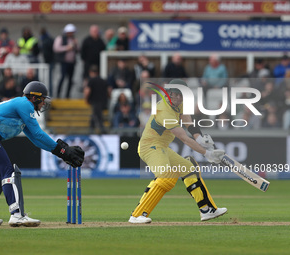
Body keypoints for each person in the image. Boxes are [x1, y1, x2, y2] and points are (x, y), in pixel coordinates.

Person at [0, 81, 84, 227]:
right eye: (43, 100)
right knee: (8, 171)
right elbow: (39, 134)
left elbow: (35, 139)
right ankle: (17, 215)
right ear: (34, 97)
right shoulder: (24, 104)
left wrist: (59, 153)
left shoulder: (22, 111)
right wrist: (62, 150)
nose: (43, 104)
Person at [128, 79, 227, 224]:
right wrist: (207, 154)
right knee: (167, 176)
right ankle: (137, 215)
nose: (179, 98)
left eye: (182, 95)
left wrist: (200, 139)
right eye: (176, 95)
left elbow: (188, 123)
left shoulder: (181, 104)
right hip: (149, 146)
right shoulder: (163, 110)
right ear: (169, 94)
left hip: (162, 147)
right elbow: (184, 138)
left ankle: (206, 210)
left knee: (189, 169)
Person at [53, 24, 78, 98]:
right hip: (63, 62)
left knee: (71, 79)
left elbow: (78, 50)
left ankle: (68, 95)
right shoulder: (60, 38)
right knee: (62, 77)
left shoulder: (73, 39)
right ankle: (58, 94)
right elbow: (56, 48)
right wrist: (67, 48)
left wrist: (76, 44)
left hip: (72, 62)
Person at [84, 65, 111, 134]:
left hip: (95, 101)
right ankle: (91, 128)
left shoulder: (91, 81)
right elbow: (109, 90)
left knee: (97, 116)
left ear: (91, 72)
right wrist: (108, 97)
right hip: (103, 101)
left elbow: (87, 91)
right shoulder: (103, 80)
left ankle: (101, 130)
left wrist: (86, 99)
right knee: (95, 115)